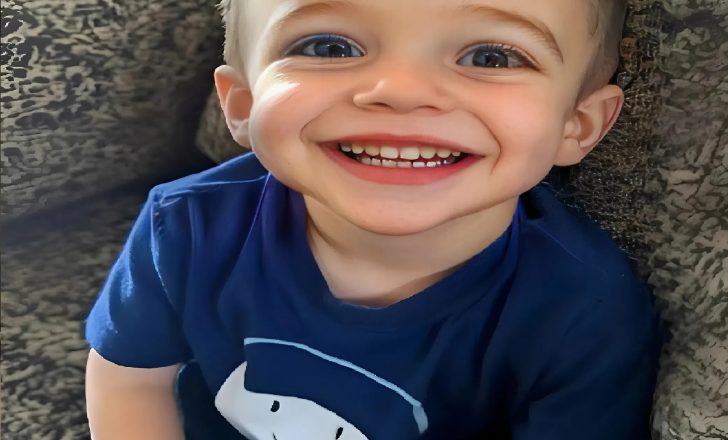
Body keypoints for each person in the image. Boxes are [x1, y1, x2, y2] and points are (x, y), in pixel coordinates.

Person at [84, 0, 663, 438]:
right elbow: (131, 379)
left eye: (491, 57)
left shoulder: (586, 312)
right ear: (243, 104)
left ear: (578, 125)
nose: (400, 92)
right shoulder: (185, 224)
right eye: (328, 47)